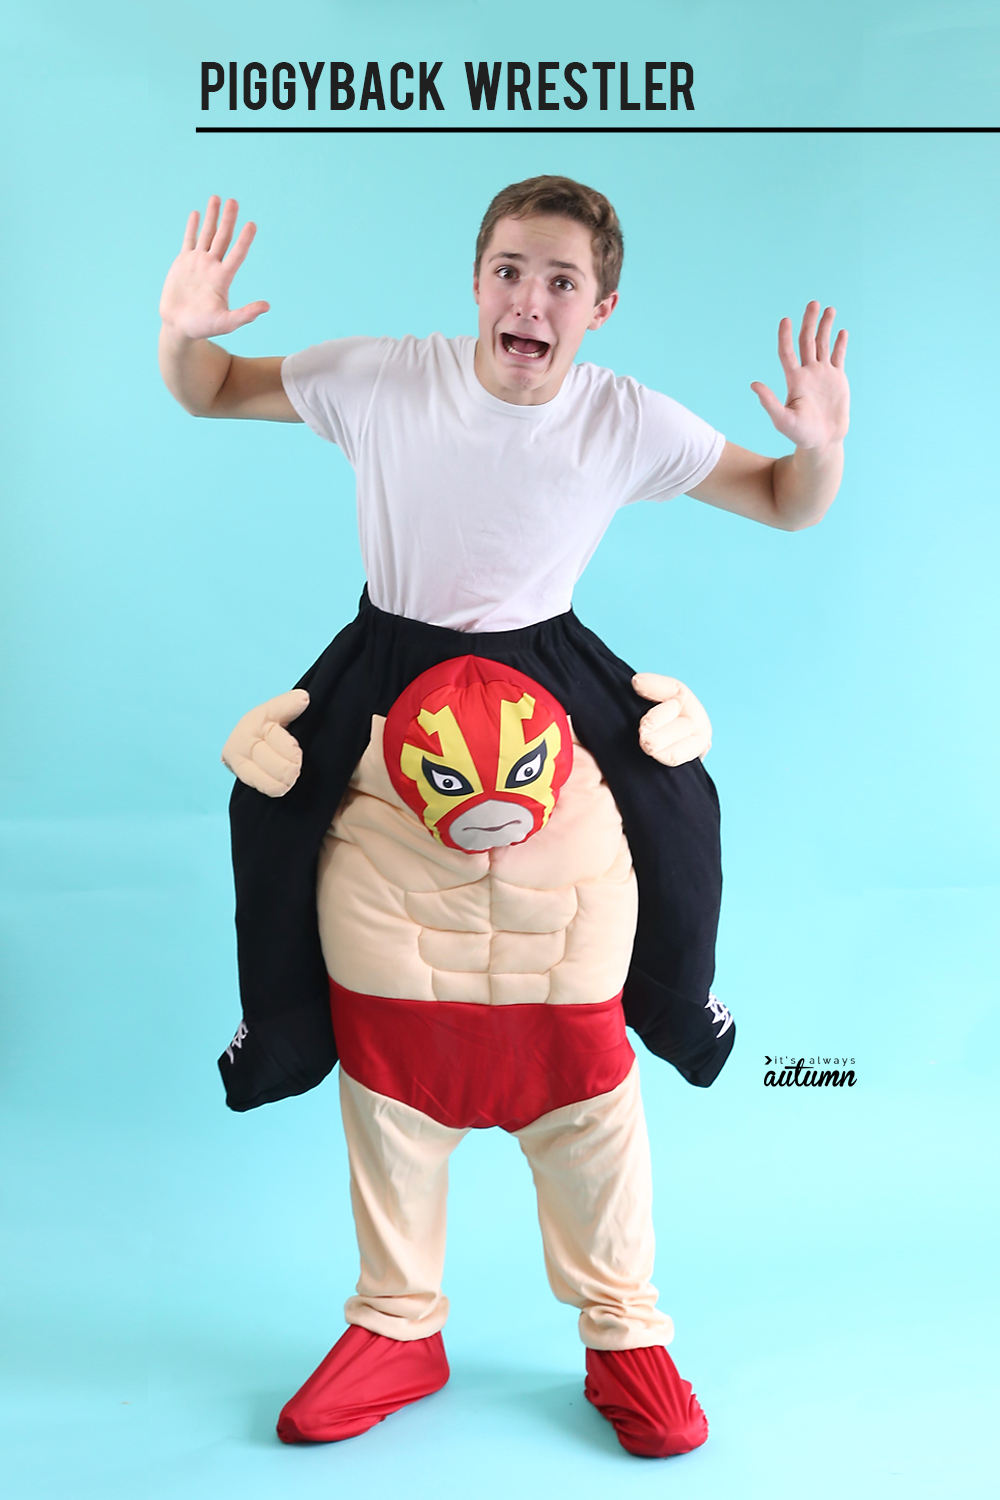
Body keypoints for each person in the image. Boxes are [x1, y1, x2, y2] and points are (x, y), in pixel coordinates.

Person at [158, 177, 849, 1457]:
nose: (530, 299)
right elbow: (210, 390)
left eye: (561, 282)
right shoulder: (378, 376)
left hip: (546, 661)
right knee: (268, 814)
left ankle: (630, 1298)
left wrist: (820, 444)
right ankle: (384, 1294)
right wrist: (182, 331)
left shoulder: (623, 416)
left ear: (601, 307)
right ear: (475, 279)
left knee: (675, 805)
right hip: (387, 659)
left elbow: (782, 502)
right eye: (510, 270)